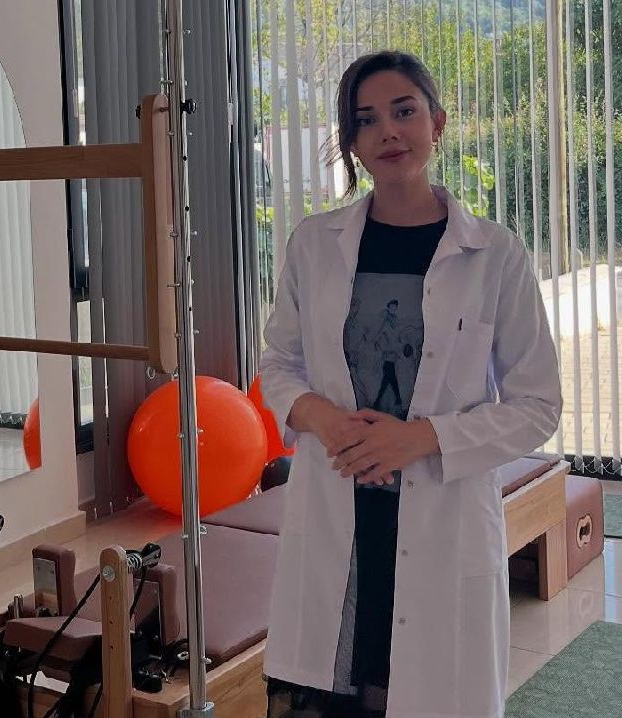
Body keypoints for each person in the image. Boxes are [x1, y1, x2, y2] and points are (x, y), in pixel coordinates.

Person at [258, 50, 563, 717]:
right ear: (351, 141)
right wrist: (322, 417)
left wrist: (422, 438)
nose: (388, 132)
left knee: (429, 691)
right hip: (337, 506)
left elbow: (538, 405)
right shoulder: (314, 244)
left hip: (441, 516)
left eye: (404, 111)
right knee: (328, 689)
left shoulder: (495, 255)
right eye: (366, 120)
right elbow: (278, 362)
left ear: (437, 122)